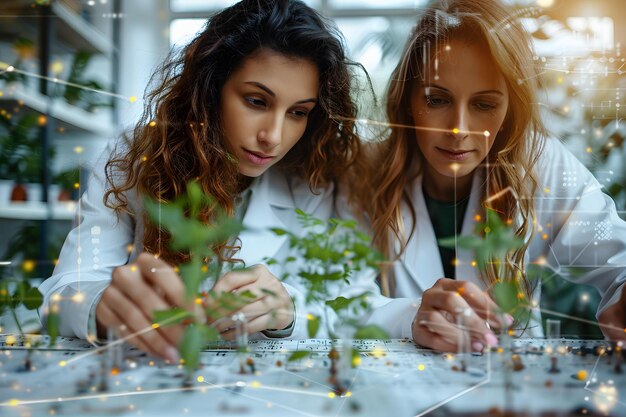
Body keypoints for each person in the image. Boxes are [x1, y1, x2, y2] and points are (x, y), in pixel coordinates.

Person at [38, 0, 367, 363]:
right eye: (256, 101)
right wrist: (102, 307)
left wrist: (287, 311)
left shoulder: (311, 178)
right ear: (210, 89)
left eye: (298, 112)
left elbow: (347, 304)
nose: (273, 136)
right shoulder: (133, 154)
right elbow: (63, 291)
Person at [350, 0, 626, 351]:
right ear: (407, 99)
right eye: (437, 100)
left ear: (510, 109)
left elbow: (617, 257)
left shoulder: (543, 165)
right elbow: (337, 299)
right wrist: (407, 316)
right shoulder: (363, 171)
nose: (458, 130)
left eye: (484, 105)